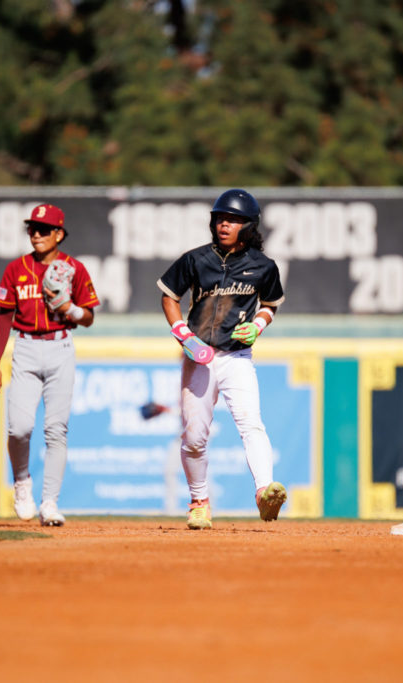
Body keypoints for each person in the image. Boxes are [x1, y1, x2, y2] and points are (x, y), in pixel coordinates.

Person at [156, 188, 287, 530]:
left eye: (232, 219)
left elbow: (270, 304)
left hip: (237, 356)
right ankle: (199, 500)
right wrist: (182, 333)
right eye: (219, 218)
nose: (223, 224)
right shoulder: (196, 259)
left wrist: (258, 325)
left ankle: (264, 492)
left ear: (249, 225)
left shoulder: (263, 266)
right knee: (195, 435)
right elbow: (169, 297)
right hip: (200, 355)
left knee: (251, 424)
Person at [0, 203, 99, 526]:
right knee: (19, 428)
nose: (35, 234)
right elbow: (4, 318)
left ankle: (49, 503)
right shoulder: (15, 269)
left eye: (43, 229)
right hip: (25, 347)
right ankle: (22, 482)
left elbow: (89, 317)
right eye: (31, 229)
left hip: (60, 346)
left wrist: (71, 309)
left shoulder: (73, 268)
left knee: (56, 430)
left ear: (59, 234)